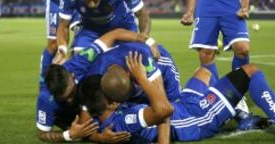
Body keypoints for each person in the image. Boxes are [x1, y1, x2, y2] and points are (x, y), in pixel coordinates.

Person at [80, 52, 275, 143]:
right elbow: (164, 111)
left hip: (181, 106)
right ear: (111, 102)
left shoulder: (99, 116)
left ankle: (236, 111)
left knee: (204, 71)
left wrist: (96, 137)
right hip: (194, 119)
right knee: (250, 71)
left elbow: (85, 128)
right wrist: (142, 79)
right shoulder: (123, 122)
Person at [37, 28, 143, 142]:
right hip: (67, 116)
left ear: (73, 76)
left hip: (88, 101)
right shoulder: (45, 99)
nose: (70, 100)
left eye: (71, 93)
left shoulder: (80, 62)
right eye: (64, 98)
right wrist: (69, 134)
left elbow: (114, 34)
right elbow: (43, 134)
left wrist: (147, 41)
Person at [56, 0, 151, 63]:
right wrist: (62, 50)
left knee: (132, 61)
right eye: (86, 0)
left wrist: (144, 36)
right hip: (90, 29)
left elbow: (142, 13)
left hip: (123, 26)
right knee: (80, 62)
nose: (92, 5)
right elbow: (63, 25)